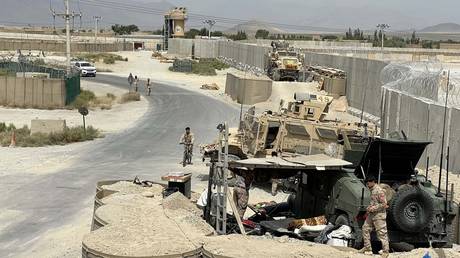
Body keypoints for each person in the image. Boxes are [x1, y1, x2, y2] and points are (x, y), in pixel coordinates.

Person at [359, 175, 389, 257]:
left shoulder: (379, 191)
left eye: (368, 183)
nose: (367, 185)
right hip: (372, 215)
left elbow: (384, 204)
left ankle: (385, 252)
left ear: (372, 182)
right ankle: (367, 248)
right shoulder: (372, 190)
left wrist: (373, 208)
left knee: (382, 233)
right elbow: (374, 202)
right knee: (365, 228)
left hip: (379, 215)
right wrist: (369, 207)